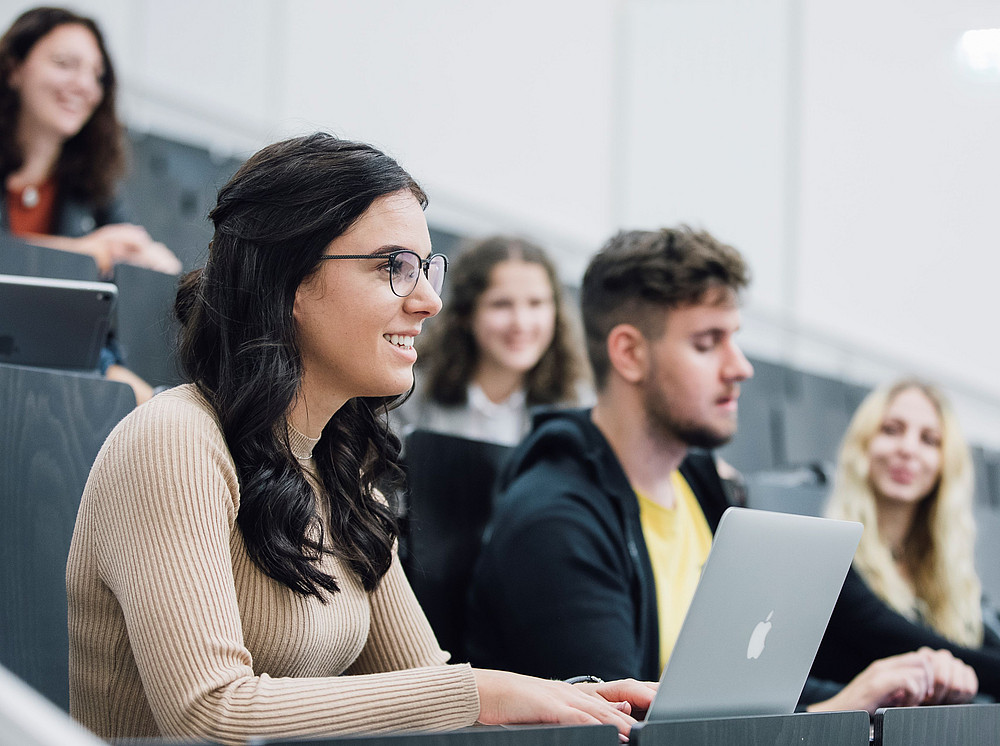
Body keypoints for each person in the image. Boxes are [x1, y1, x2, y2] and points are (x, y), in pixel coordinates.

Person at [66, 133, 655, 745]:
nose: (429, 301)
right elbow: (212, 717)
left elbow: (427, 685)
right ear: (288, 281)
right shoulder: (175, 438)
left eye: (428, 269)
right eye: (393, 267)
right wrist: (482, 692)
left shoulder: (341, 468)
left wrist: (567, 700)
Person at [465, 226, 981, 714]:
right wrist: (836, 708)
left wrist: (869, 694)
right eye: (708, 343)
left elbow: (734, 694)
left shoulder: (704, 489)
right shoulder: (554, 521)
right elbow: (625, 729)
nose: (740, 367)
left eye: (734, 338)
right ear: (629, 353)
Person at [0, 6, 181, 403]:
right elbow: (100, 249)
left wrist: (143, 256)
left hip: (60, 353)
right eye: (65, 64)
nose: (83, 84)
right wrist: (89, 251)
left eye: (96, 75)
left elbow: (141, 252)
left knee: (149, 404)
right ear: (14, 69)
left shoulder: (91, 185)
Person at [813, 380, 1000, 687]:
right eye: (891, 430)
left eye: (929, 440)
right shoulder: (829, 555)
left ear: (945, 464)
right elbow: (906, 643)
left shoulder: (945, 571)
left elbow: (986, 647)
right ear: (862, 445)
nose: (908, 449)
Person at [395, 235, 589, 446]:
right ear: (466, 313)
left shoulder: (578, 410)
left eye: (536, 303)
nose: (521, 323)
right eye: (502, 304)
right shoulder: (408, 398)